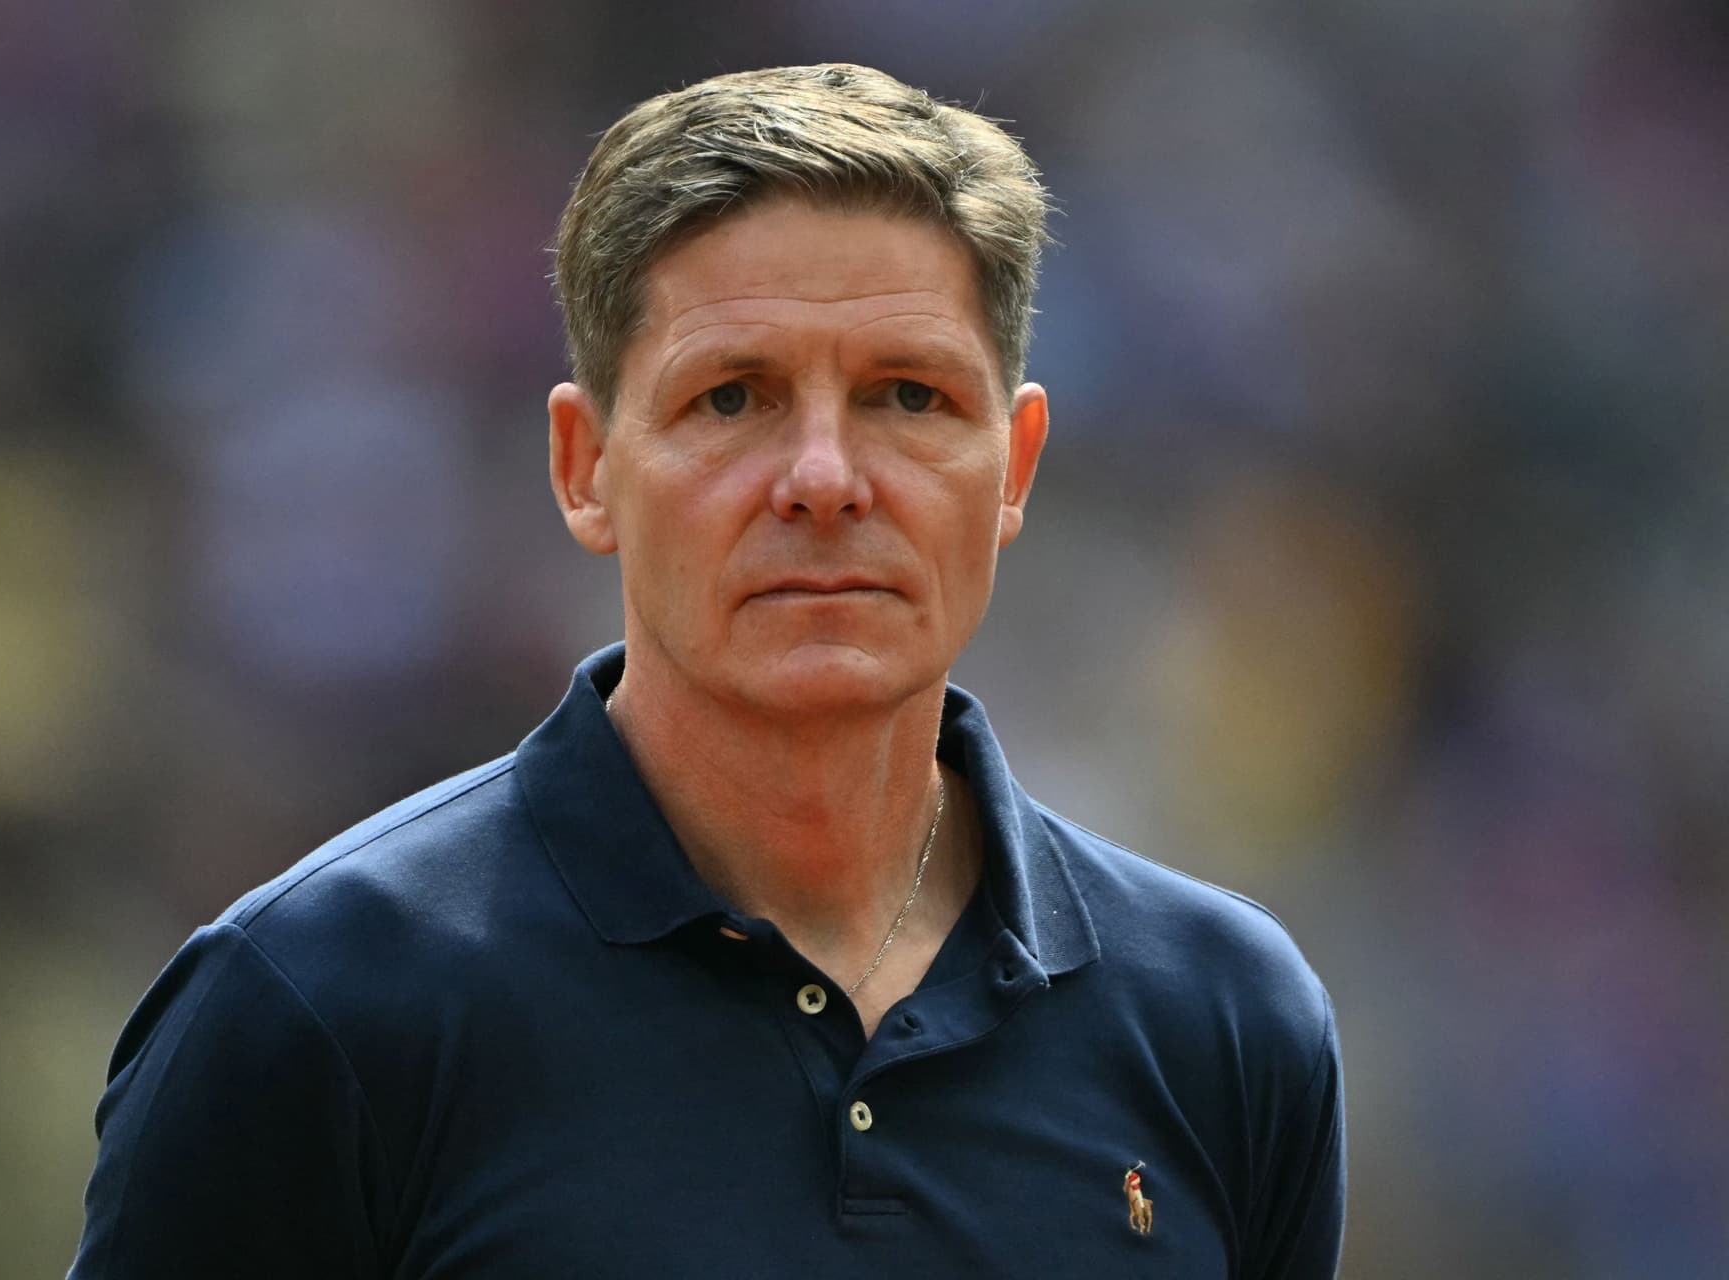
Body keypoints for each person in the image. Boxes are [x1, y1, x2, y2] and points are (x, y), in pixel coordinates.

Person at [70, 63, 1344, 1278]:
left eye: (909, 396)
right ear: (586, 465)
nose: (827, 478)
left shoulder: (1225, 1020)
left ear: (1012, 465)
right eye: (733, 398)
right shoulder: (316, 1010)